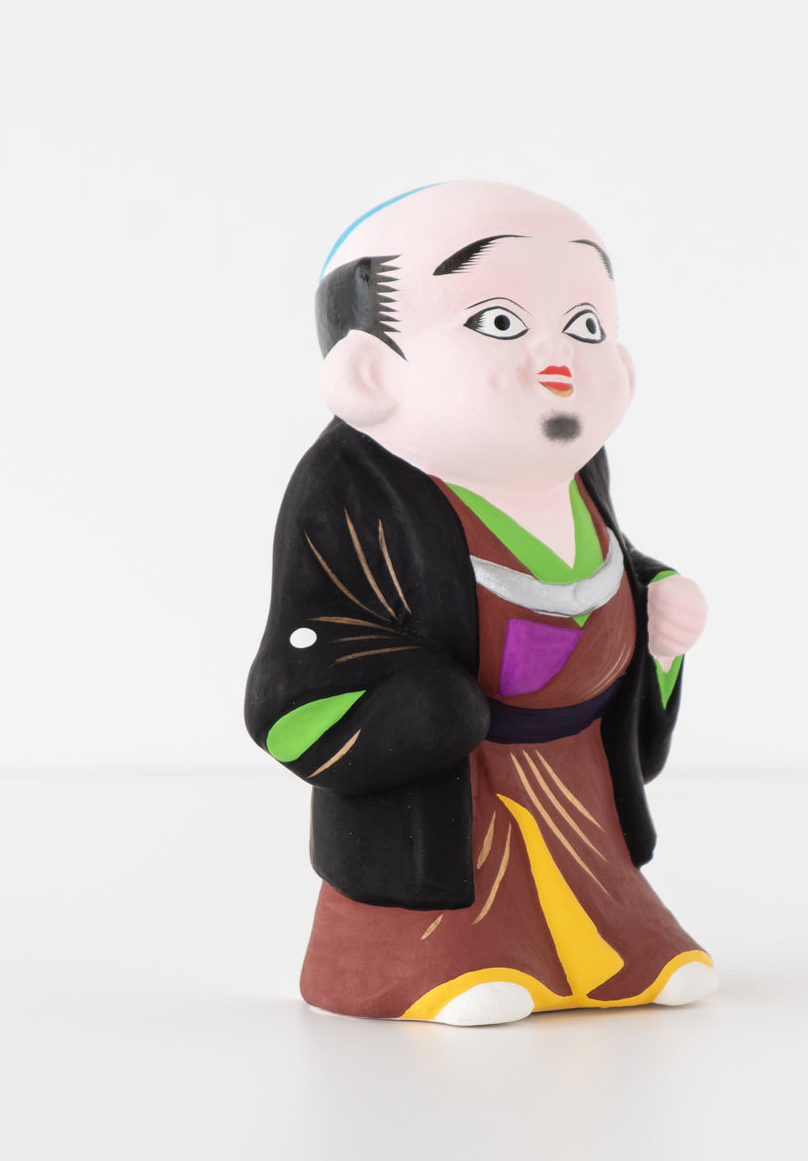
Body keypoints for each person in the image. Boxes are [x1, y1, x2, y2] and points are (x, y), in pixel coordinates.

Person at [245, 181, 714, 1025]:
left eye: (587, 325)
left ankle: (611, 951)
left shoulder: (575, 469)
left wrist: (655, 612)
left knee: (613, 914)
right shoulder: (352, 485)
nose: (559, 359)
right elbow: (307, 655)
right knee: (459, 922)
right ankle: (425, 962)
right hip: (450, 797)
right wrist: (422, 705)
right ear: (370, 372)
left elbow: (606, 567)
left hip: (576, 775)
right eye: (498, 322)